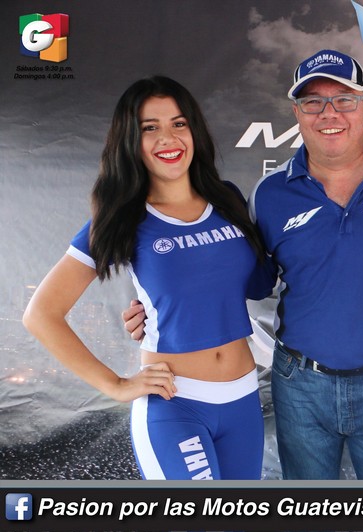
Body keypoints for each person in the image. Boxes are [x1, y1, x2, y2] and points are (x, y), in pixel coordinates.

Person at [124, 50, 363, 480]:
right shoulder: (269, 193)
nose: (329, 113)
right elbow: (241, 277)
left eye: (343, 99)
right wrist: (160, 305)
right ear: (297, 113)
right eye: (313, 102)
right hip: (299, 385)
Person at [23, 75, 268, 480]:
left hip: (243, 398)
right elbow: (41, 314)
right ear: (130, 141)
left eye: (178, 123)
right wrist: (115, 385)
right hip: (176, 404)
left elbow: (246, 286)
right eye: (149, 128)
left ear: (194, 130)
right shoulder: (123, 216)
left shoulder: (227, 199)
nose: (168, 138)